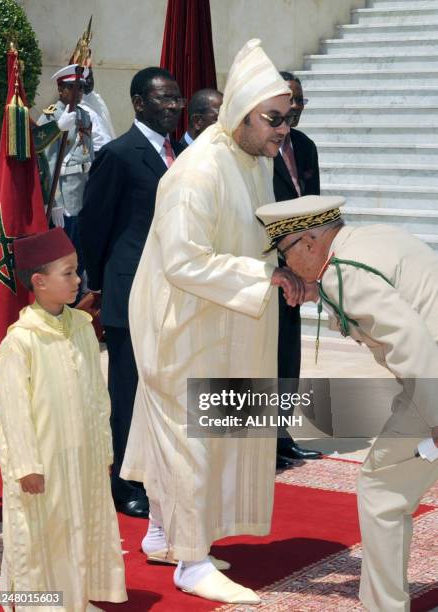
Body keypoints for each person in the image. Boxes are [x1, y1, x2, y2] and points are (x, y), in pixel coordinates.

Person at [120, 39, 308, 604]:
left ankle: (160, 534)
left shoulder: (251, 160)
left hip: (223, 319)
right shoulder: (197, 171)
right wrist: (263, 278)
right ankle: (192, 563)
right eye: (273, 119)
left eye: (288, 118)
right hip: (183, 326)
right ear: (241, 113)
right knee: (190, 438)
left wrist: (291, 263)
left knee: (197, 431)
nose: (282, 130)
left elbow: (251, 238)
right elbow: (183, 261)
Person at [256, 194, 438, 612]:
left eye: (283, 255)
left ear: (307, 242)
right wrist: (317, 291)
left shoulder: (343, 273)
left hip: (432, 375)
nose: (284, 267)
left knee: (382, 490)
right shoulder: (363, 241)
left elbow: (410, 342)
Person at [0, 228, 127, 611]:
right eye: (68, 273)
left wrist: (103, 450)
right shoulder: (21, 341)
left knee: (77, 528)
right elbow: (14, 414)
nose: (78, 279)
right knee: (42, 535)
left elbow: (98, 398)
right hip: (43, 463)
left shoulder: (83, 328)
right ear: (39, 281)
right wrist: (26, 466)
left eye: (76, 271)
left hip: (82, 455)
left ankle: (75, 601)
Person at [79, 67, 184, 518]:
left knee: (164, 390)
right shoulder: (120, 154)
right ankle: (125, 483)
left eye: (177, 98)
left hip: (174, 295)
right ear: (139, 102)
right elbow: (93, 225)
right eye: (164, 98)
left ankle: (160, 470)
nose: (174, 106)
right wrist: (102, 284)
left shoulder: (180, 153)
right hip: (129, 293)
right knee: (128, 391)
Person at [273, 71, 322, 467]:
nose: (298, 108)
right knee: (260, 357)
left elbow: (315, 208)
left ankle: (282, 436)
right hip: (265, 267)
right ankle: (257, 444)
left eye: (302, 101)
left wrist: (313, 259)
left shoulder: (305, 146)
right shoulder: (258, 149)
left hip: (298, 267)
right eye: (292, 100)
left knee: (288, 355)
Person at [37, 64, 94, 287]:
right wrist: (54, 203)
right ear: (61, 90)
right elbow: (47, 162)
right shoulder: (51, 117)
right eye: (73, 88)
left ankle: (76, 296)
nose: (78, 92)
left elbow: (90, 156)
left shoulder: (84, 116)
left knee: (80, 253)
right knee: (63, 255)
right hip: (64, 195)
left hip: (83, 192)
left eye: (81, 88)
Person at [80, 67, 116, 156]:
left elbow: (108, 127)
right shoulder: (74, 104)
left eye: (91, 77)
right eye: (86, 78)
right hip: (92, 154)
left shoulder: (97, 98)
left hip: (108, 150)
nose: (89, 82)